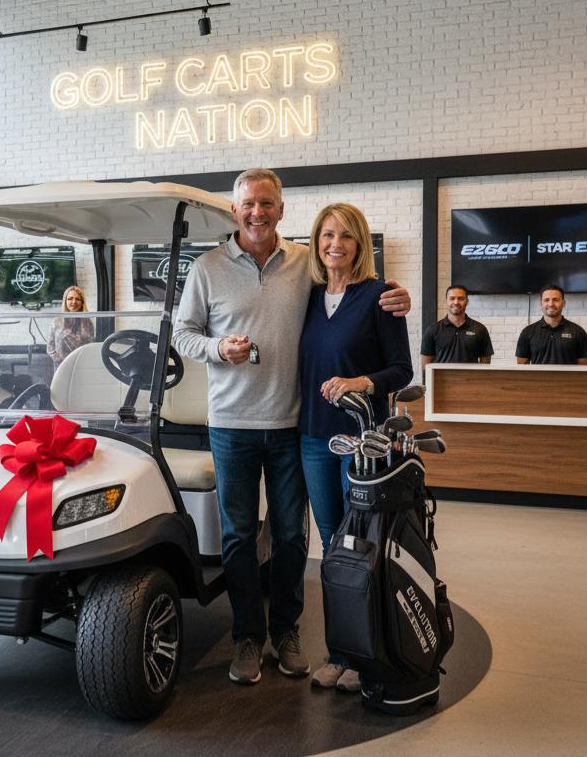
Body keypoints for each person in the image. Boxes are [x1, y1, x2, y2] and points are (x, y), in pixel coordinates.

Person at [172, 169, 410, 687]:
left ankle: (286, 631)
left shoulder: (307, 263)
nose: (256, 212)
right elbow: (184, 334)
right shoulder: (207, 268)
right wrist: (217, 349)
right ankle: (246, 637)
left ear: (281, 210)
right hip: (231, 425)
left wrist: (396, 298)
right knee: (236, 537)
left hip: (291, 425)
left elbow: (354, 296)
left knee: (288, 536)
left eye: (266, 203)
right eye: (247, 205)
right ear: (233, 211)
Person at [298, 202, 413, 693]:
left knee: (362, 547)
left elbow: (401, 369)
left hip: (362, 445)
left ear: (360, 244)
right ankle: (341, 651)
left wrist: (360, 382)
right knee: (332, 547)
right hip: (311, 437)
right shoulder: (306, 297)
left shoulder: (380, 296)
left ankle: (370, 655)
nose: (334, 245)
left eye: (345, 236)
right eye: (326, 235)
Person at [421, 284, 494, 371]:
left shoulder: (480, 329)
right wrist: (427, 384)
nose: (456, 302)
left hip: (470, 383)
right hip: (441, 383)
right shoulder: (432, 330)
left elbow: (485, 365)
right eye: (452, 298)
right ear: (446, 301)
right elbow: (425, 366)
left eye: (461, 298)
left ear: (467, 301)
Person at [515, 284, 587, 365]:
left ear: (563, 303)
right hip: (538, 378)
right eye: (546, 300)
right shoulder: (527, 332)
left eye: (555, 300)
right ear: (541, 303)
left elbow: (584, 368)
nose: (551, 304)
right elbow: (522, 367)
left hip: (567, 378)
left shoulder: (578, 331)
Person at [46, 285, 94, 365]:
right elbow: (50, 347)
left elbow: (90, 346)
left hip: (80, 365)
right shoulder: (57, 321)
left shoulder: (88, 322)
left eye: (77, 299)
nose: (74, 302)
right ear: (65, 301)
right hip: (61, 366)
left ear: (82, 302)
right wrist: (61, 361)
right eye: (70, 298)